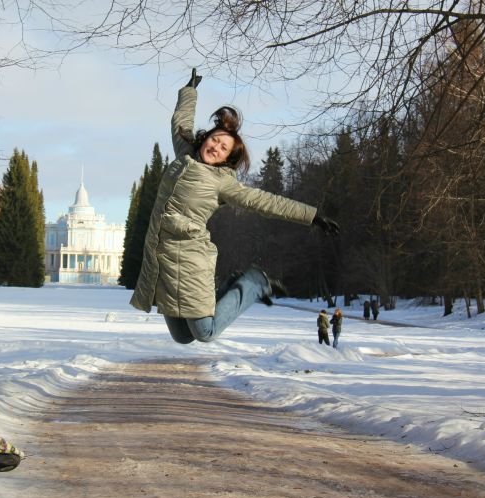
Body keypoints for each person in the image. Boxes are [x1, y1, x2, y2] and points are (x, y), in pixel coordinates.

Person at [130, 68, 340, 344]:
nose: (216, 147)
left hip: (190, 258)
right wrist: (190, 91)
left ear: (228, 158)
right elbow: (180, 120)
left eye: (224, 148)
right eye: (214, 140)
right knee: (182, 336)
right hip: (163, 257)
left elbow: (267, 202)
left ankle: (255, 283)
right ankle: (233, 284)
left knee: (205, 333)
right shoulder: (185, 156)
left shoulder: (223, 183)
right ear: (205, 139)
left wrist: (312, 216)